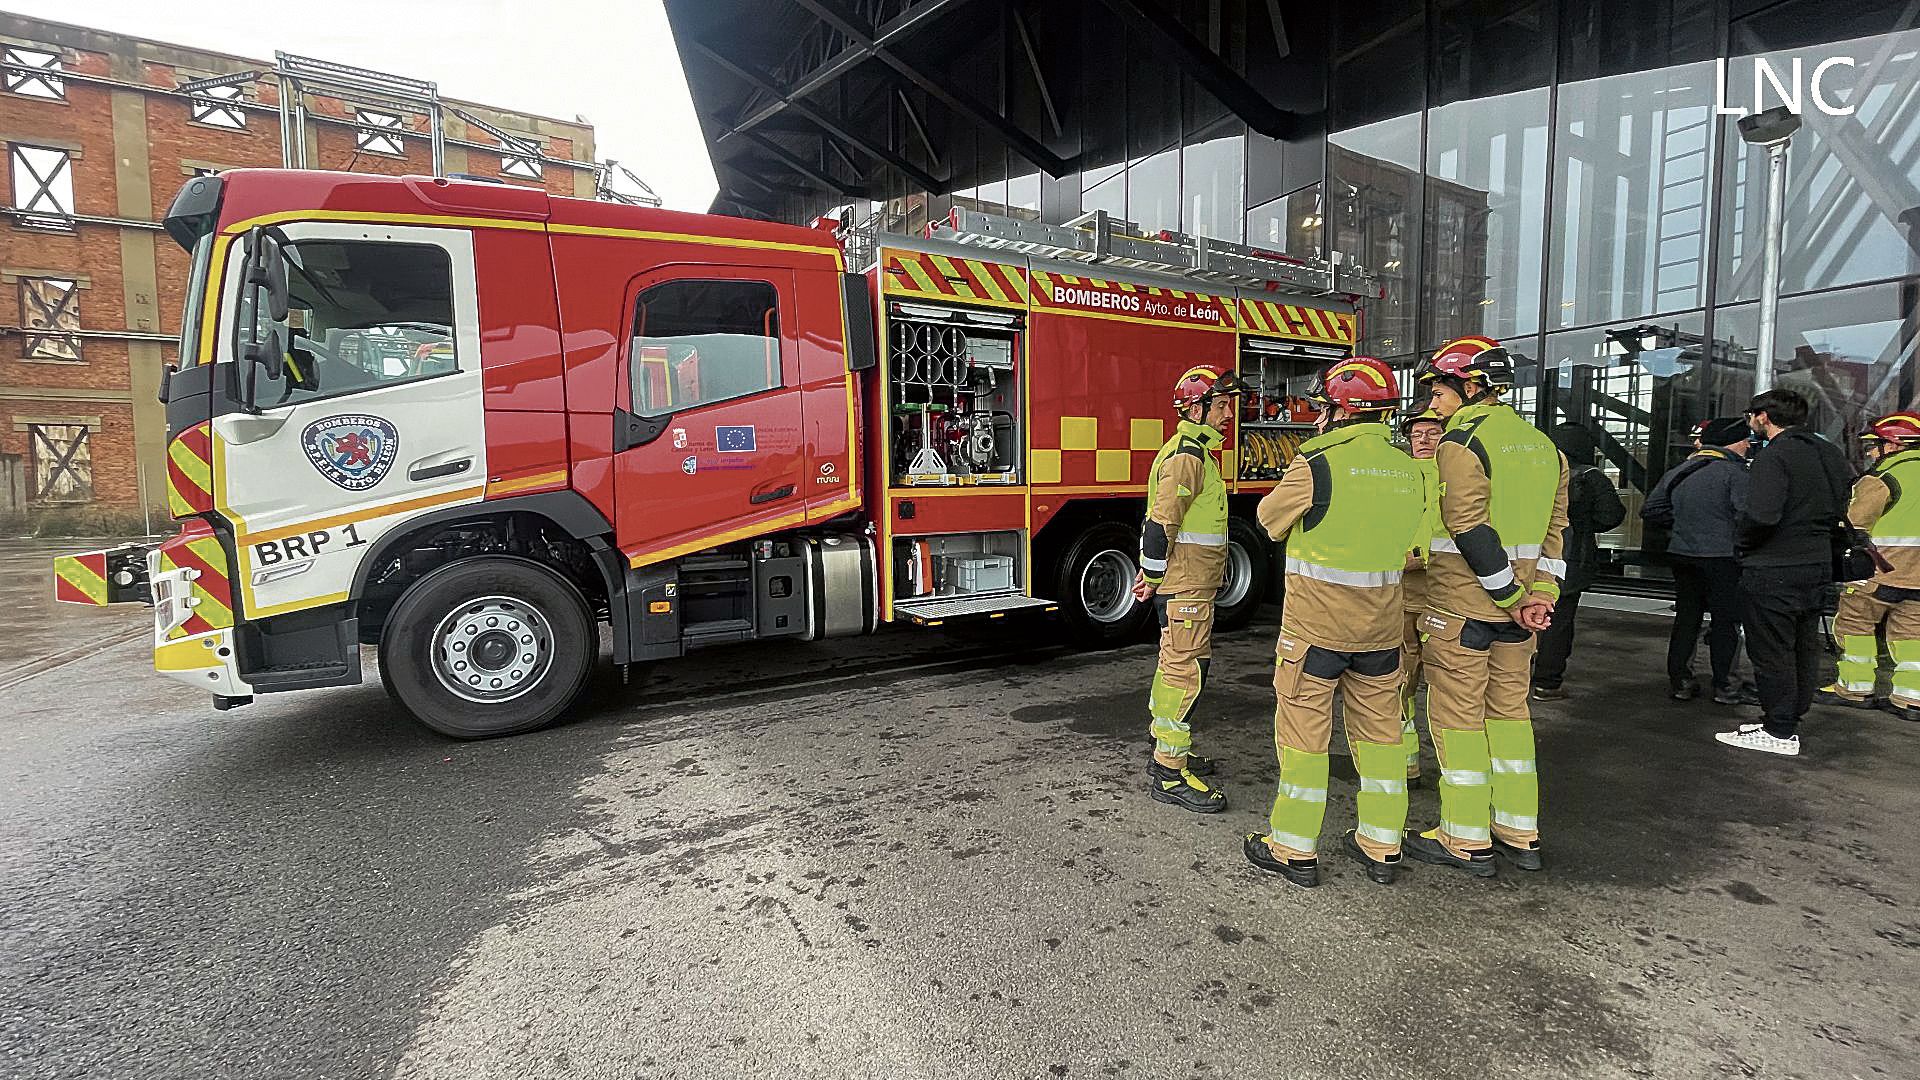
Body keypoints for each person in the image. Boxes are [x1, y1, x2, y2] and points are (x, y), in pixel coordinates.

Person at [1247, 358, 1426, 888]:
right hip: (1381, 634)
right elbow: (1411, 545)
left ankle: (1294, 848)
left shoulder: (1316, 465)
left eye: (1324, 406)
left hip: (1316, 633)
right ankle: (1382, 843)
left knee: (1304, 738)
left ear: (1340, 411)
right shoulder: (1411, 470)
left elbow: (1267, 521)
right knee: (1382, 738)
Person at [1403, 336, 1569, 877]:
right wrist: (1540, 595)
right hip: (1520, 620)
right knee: (1510, 717)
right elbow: (1553, 534)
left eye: (1438, 389)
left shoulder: (1461, 443)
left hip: (1465, 609)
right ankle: (1519, 831)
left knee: (1457, 719)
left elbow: (1468, 526)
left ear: (1470, 386)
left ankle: (1464, 836)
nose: (1432, 402)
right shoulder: (1546, 447)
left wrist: (1512, 596)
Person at [1134, 366, 1246, 810]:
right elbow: (1161, 525)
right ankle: (1169, 771)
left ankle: (1171, 752)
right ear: (1196, 409)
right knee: (1185, 673)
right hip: (1185, 590)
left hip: (1189, 587)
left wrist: (1153, 577)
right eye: (1221, 406)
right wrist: (1154, 577)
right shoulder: (1188, 457)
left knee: (1180, 666)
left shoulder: (1197, 453)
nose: (1228, 416)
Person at [1717, 388, 1850, 757]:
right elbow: (1845, 497)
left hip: (1774, 566)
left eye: (1750, 415)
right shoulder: (1826, 451)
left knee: (1772, 650)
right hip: (1817, 563)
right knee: (1803, 647)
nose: (1749, 422)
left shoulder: (1775, 456)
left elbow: (1761, 514)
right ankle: (1787, 719)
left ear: (1763, 416)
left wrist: (1743, 544)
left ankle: (1778, 730)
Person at [1642, 417, 1752, 703]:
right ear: (1733, 442)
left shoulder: (1680, 470)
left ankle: (1681, 682)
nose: (1748, 445)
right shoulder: (1735, 473)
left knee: (1687, 619)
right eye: (1745, 440)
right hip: (1723, 557)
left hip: (1682, 554)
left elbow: (1652, 509)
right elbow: (1748, 518)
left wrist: (1681, 526)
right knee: (1725, 622)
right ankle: (1726, 687)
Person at [1820, 412, 1920, 722]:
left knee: (1855, 626)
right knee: (1912, 638)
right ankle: (1910, 700)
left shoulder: (1882, 478)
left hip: (1877, 573)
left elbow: (1853, 522)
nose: (1870, 453)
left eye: (1873, 446)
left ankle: (1855, 689)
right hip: (1918, 580)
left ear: (1893, 445)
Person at [1530, 423, 1627, 700]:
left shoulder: (1537, 470)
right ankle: (1547, 682)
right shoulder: (1591, 476)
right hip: (1572, 556)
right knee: (1558, 621)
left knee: (1525, 613)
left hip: (1531, 554)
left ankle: (1516, 674)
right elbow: (1612, 515)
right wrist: (1583, 526)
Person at [1398, 408, 1445, 785]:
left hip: (1441, 596)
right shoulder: (1400, 476)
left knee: (1448, 685)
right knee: (1402, 680)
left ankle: (1452, 768)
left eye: (1432, 432)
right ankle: (1407, 762)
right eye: (1417, 434)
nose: (1424, 440)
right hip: (1402, 597)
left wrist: (1418, 557)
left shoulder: (1455, 478)